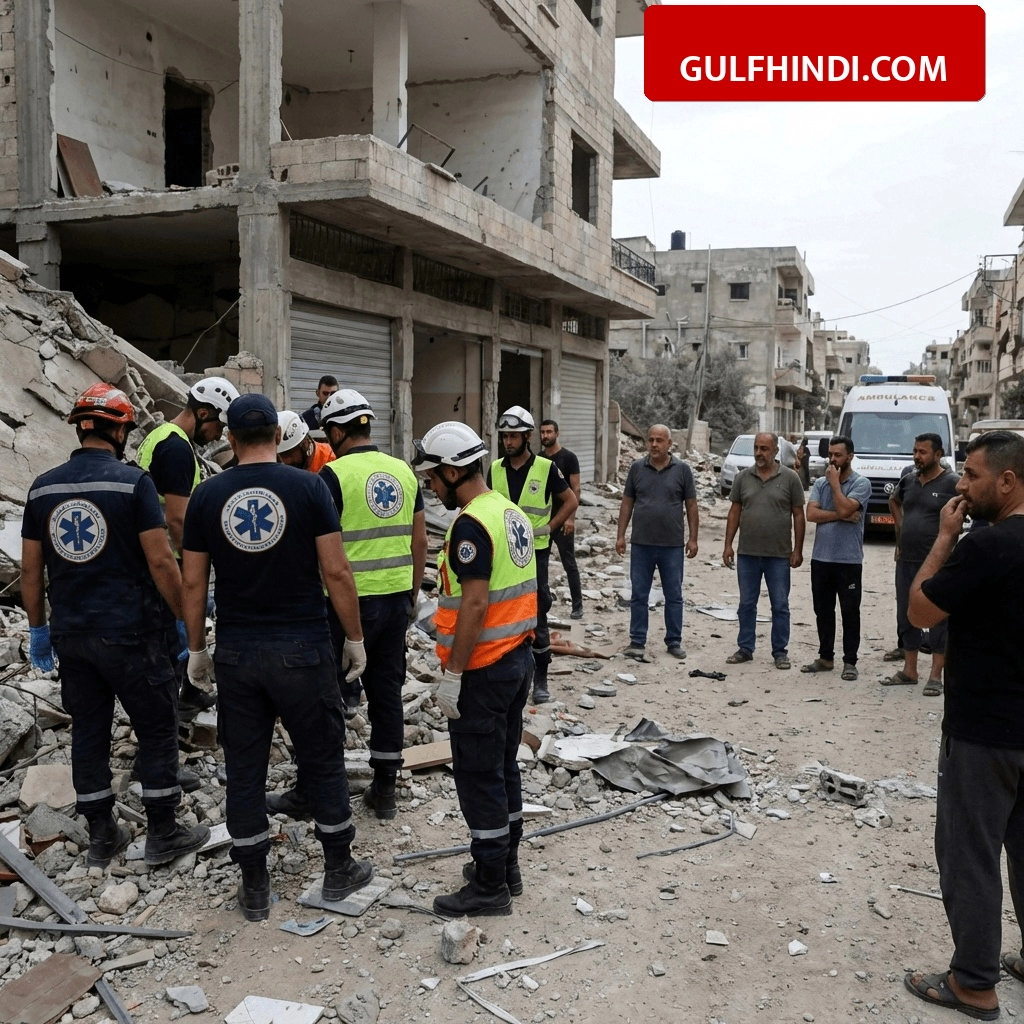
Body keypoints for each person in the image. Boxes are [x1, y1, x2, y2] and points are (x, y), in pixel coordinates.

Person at [180, 393, 371, 922]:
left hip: (239, 653)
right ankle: (339, 869)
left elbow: (193, 581)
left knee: (244, 767)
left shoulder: (207, 495)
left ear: (231, 438)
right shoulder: (309, 487)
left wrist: (196, 649)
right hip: (303, 648)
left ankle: (255, 885)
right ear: (278, 436)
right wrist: (354, 637)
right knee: (322, 757)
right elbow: (336, 571)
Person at [21, 384, 210, 870]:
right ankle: (164, 832)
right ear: (121, 430)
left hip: (73, 636)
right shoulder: (133, 483)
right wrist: (183, 622)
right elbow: (162, 562)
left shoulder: (42, 488)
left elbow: (31, 571)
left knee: (89, 731)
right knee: (156, 727)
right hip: (133, 634)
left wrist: (39, 630)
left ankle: (102, 835)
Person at [903, 430, 1024, 1022]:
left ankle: (974, 983)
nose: (962, 485)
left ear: (1008, 480)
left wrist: (946, 538)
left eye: (972, 475)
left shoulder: (987, 546)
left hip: (984, 733)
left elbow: (921, 610)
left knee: (970, 854)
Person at [266, 389, 427, 822]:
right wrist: (411, 595)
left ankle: (312, 790)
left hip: (344, 608)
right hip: (395, 601)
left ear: (337, 431)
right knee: (387, 695)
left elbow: (317, 549)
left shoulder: (331, 477)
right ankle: (385, 790)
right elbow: (420, 541)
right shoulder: (403, 471)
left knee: (324, 697)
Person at [414, 420, 537, 917]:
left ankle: (489, 886)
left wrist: (454, 675)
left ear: (451, 471)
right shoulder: (508, 511)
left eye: (432, 477)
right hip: (517, 660)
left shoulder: (470, 525)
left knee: (479, 775)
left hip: (484, 669)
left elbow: (475, 602)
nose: (430, 487)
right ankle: (506, 867)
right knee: (503, 767)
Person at [135, 376, 240, 716]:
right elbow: (177, 519)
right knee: (173, 637)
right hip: (168, 558)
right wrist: (195, 568)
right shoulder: (176, 448)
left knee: (168, 638)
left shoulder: (161, 436)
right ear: (204, 412)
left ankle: (184, 696)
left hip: (152, 556)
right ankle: (171, 714)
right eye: (219, 426)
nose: (219, 436)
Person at [488, 406, 578, 704]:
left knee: (537, 611)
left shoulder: (545, 468)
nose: (508, 441)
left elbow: (570, 500)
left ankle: (541, 679)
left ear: (527, 437)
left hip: (535, 553)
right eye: (505, 436)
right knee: (504, 609)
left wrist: (551, 527)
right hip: (503, 553)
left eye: (513, 436)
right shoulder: (495, 469)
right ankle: (510, 674)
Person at [883, 433, 959, 696]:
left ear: (938, 455)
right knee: (907, 614)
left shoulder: (953, 483)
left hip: (938, 562)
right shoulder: (908, 480)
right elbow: (894, 501)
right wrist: (900, 533)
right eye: (915, 451)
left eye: (922, 452)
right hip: (907, 560)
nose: (917, 456)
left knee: (938, 616)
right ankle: (909, 671)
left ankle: (936, 677)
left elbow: (968, 509)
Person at [722, 432, 805, 669]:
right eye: (757, 448)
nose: (759, 453)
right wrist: (728, 545)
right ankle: (745, 648)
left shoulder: (790, 478)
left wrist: (797, 549)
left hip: (778, 555)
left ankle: (780, 652)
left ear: (776, 451)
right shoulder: (742, 478)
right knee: (746, 604)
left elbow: (799, 515)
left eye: (764, 449)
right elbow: (734, 512)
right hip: (748, 554)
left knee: (780, 605)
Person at [615, 424, 698, 661]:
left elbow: (691, 505)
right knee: (639, 594)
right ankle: (637, 641)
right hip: (642, 544)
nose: (653, 444)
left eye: (659, 440)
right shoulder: (636, 468)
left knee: (674, 595)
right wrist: (621, 535)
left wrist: (693, 538)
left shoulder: (682, 470)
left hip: (672, 545)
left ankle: (674, 641)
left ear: (669, 444)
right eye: (650, 440)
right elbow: (627, 503)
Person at [801, 436, 872, 679]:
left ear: (850, 457)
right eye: (830, 454)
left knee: (850, 611)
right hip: (821, 558)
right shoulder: (820, 483)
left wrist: (835, 486)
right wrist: (841, 516)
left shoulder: (861, 483)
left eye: (838, 455)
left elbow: (844, 507)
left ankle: (850, 661)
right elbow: (811, 514)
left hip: (848, 560)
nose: (832, 459)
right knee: (823, 610)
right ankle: (825, 657)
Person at [539, 419, 584, 619]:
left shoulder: (569, 458)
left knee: (569, 563)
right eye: (542, 432)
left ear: (557, 433)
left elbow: (576, 489)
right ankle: (542, 604)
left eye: (549, 432)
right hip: (543, 521)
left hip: (563, 518)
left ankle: (577, 606)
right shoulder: (539, 459)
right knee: (541, 564)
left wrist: (570, 519)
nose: (545, 435)